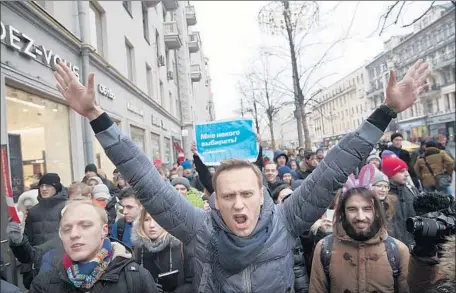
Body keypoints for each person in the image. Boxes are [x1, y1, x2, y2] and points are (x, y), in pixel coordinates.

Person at [53, 58, 429, 292]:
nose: (238, 204)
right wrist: (97, 117)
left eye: (246, 194)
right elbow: (145, 181)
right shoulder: (199, 227)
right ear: (214, 199)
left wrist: (385, 112)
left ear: (261, 194)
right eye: (228, 195)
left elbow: (335, 168)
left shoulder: (286, 220)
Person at [308, 165, 410, 293]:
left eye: (367, 209)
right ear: (343, 213)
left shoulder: (398, 251)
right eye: (352, 209)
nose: (360, 217)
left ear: (377, 212)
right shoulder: (324, 248)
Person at [28, 201, 158, 293]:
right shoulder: (44, 284)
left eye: (85, 226)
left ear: (104, 230)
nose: (74, 234)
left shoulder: (136, 279)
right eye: (67, 229)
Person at [19, 173, 67, 289]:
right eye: (41, 186)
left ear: (56, 187)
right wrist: (26, 270)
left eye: (48, 186)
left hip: (60, 264)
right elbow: (27, 239)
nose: (44, 189)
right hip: (37, 267)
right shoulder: (33, 211)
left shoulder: (66, 208)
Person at [131, 209, 193, 293]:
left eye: (157, 219)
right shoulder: (137, 249)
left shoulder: (181, 246)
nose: (152, 225)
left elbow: (192, 282)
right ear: (141, 223)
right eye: (147, 220)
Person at [382, 153, 417, 249]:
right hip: (392, 246)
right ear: (390, 174)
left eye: (406, 170)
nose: (406, 174)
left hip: (412, 244)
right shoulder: (383, 195)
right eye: (401, 171)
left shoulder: (411, 191)